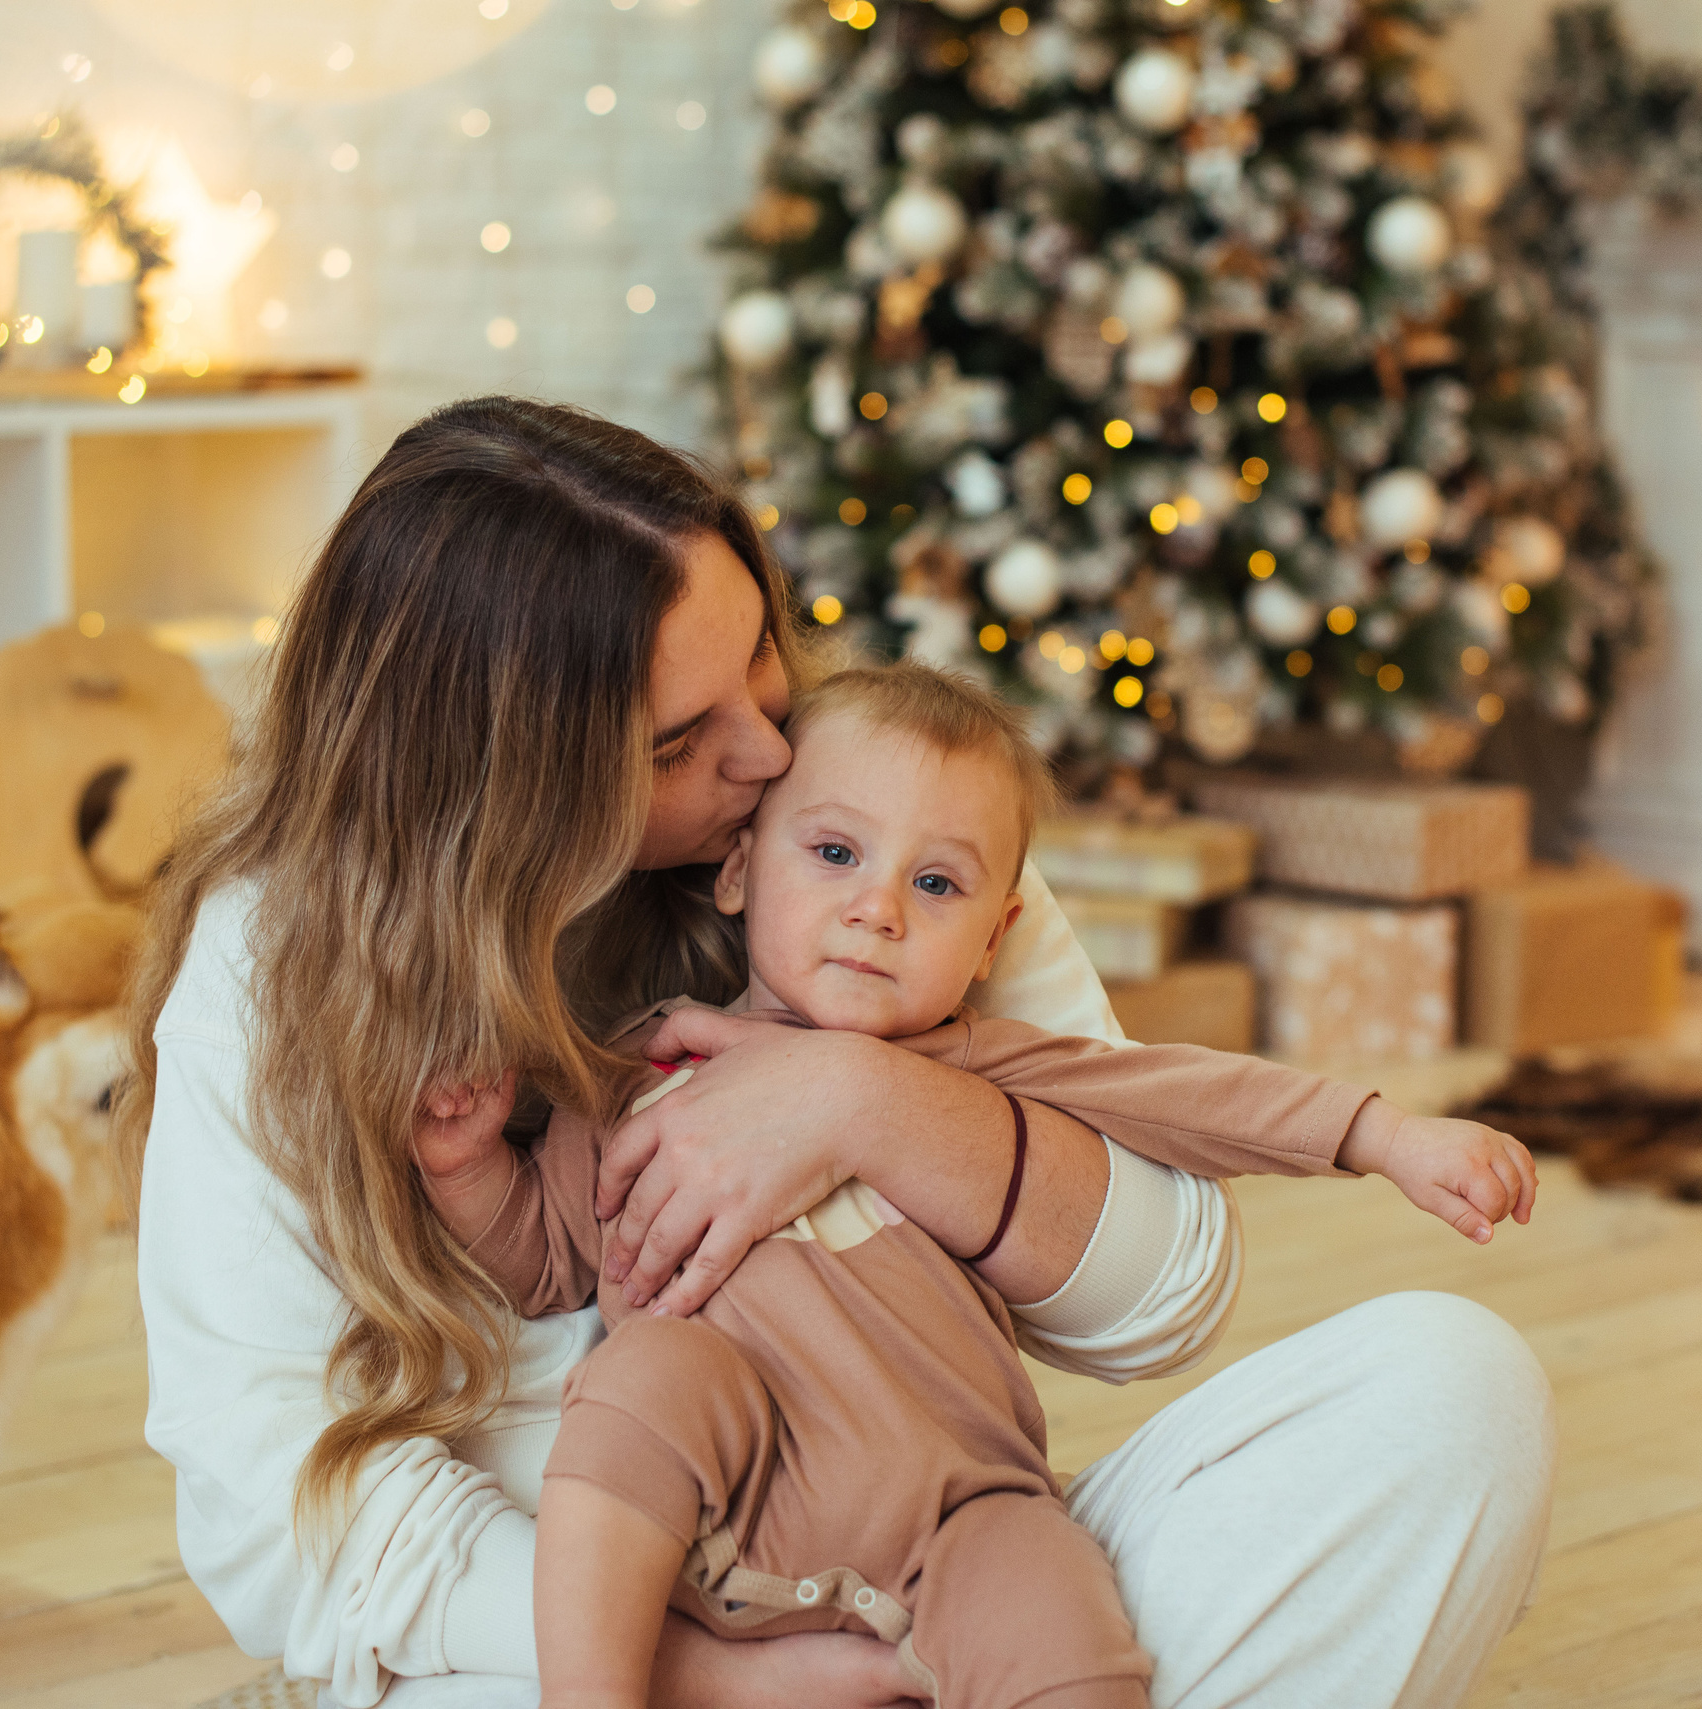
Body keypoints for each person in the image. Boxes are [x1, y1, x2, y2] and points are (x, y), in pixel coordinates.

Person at [125, 396, 1556, 1709]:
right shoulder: (272, 968)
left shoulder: (872, 833)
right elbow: (276, 1523)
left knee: (1450, 1391)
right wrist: (711, 1677)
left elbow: (1168, 1303)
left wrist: (868, 1099)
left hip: (930, 1561)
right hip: (568, 1649)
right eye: (681, 738)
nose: (762, 747)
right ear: (508, 788)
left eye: (758, 647)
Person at [417, 663, 1541, 1709]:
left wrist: (1381, 1133)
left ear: (996, 932)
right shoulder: (641, 1068)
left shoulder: (977, 1063)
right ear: (740, 866)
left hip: (961, 1508)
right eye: (835, 854)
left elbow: (1189, 1098)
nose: (879, 909)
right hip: (724, 1514)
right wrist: (469, 1168)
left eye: (937, 881)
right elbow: (545, 1256)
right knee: (646, 1372)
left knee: (1067, 1619)